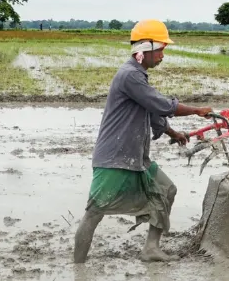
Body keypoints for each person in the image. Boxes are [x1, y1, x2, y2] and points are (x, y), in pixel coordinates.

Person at [73, 19, 213, 264]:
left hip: (136, 157)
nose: (162, 56)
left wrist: (173, 133)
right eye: (160, 50)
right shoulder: (130, 76)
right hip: (115, 158)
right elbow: (159, 104)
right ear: (144, 48)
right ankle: (77, 266)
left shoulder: (139, 75)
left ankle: (151, 249)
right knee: (95, 213)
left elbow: (151, 113)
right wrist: (196, 110)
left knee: (166, 190)